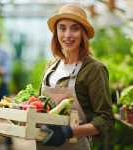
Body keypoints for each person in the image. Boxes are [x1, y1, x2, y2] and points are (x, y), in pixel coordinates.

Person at [37, 4, 115, 150]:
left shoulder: (94, 69)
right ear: (56, 33)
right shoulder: (51, 65)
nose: (67, 35)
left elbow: (106, 119)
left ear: (83, 33)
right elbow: (40, 107)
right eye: (62, 28)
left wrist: (69, 131)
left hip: (75, 145)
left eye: (75, 28)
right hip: (44, 144)